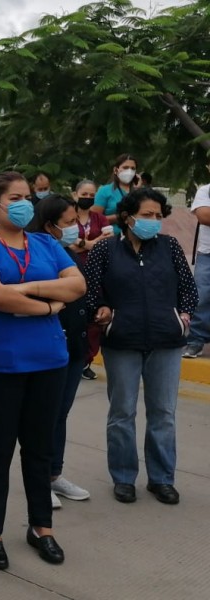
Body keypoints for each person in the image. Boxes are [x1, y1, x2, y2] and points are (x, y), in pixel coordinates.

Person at [0, 171, 85, 570]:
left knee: (39, 448)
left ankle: (41, 528)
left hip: (48, 360)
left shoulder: (47, 243)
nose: (23, 203)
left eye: (27, 196)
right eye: (14, 197)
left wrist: (21, 291)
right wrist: (48, 303)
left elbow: (77, 286)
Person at [85, 188, 197, 505]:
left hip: (167, 341)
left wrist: (183, 318)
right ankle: (123, 477)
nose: (153, 221)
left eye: (158, 216)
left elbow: (188, 289)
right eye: (147, 215)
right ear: (127, 216)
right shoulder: (105, 250)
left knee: (163, 413)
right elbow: (92, 291)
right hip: (122, 340)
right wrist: (103, 312)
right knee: (122, 412)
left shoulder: (170, 246)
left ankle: (161, 479)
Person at [27, 195, 92, 509]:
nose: (75, 229)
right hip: (50, 344)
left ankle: (54, 474)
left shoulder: (66, 252)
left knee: (60, 414)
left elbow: (81, 290)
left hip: (75, 345)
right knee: (44, 416)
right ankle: (40, 480)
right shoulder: (36, 253)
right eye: (68, 223)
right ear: (50, 225)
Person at [69, 180, 113, 379]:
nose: (88, 198)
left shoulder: (100, 218)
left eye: (91, 195)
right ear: (75, 194)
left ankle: (86, 361)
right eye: (84, 194)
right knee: (75, 317)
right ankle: (73, 358)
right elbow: (66, 242)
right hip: (71, 271)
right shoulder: (69, 217)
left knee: (94, 319)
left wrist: (82, 244)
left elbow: (107, 243)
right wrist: (90, 243)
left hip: (96, 274)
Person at [183, 168, 210, 358]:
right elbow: (204, 216)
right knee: (201, 296)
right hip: (207, 253)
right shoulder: (205, 191)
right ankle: (195, 341)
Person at [92, 153, 138, 233]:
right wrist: (119, 217)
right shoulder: (105, 191)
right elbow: (94, 220)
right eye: (125, 167)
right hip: (112, 238)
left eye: (132, 168)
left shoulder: (139, 193)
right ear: (116, 170)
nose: (129, 171)